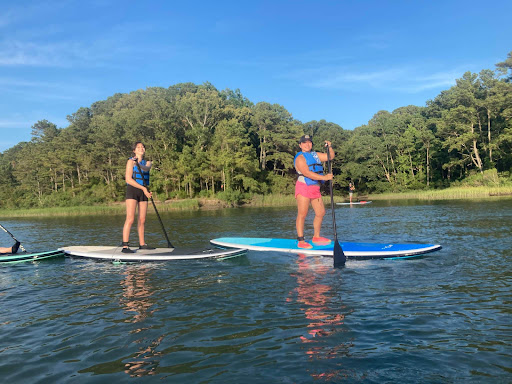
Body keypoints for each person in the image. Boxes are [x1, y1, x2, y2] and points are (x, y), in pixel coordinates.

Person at [294, 135, 335, 249]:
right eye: (304, 143)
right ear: (300, 145)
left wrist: (330, 147)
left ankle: (316, 237)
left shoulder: (315, 155)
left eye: (309, 142)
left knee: (320, 213)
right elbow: (307, 173)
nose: (307, 145)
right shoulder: (300, 158)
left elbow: (330, 156)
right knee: (302, 214)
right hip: (304, 186)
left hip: (315, 188)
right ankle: (301, 240)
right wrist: (325, 178)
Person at [121, 142, 155, 253]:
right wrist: (143, 189)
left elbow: (146, 169)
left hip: (144, 191)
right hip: (133, 190)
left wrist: (138, 164)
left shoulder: (148, 162)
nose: (141, 148)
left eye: (142, 147)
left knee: (142, 219)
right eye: (138, 147)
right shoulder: (130, 161)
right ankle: (125, 246)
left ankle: (142, 244)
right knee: (130, 218)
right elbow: (128, 179)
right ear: (134, 150)